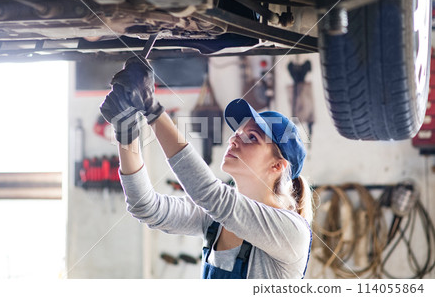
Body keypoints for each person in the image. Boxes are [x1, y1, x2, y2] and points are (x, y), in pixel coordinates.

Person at [100, 56, 314, 279]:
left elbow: (211, 195)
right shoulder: (215, 217)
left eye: (252, 137)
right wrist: (125, 131)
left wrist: (151, 107)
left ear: (277, 165)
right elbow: (146, 207)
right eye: (238, 132)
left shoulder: (291, 231)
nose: (234, 139)